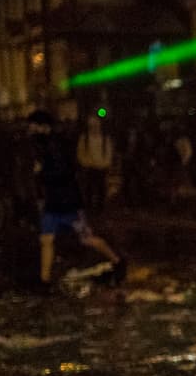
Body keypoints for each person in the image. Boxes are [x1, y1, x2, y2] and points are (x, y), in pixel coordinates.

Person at [27, 110, 125, 289]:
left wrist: (41, 172)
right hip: (57, 202)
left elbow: (63, 173)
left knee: (85, 238)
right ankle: (44, 281)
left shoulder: (55, 146)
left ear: (42, 126)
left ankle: (117, 260)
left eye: (33, 126)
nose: (30, 129)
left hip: (67, 203)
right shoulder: (47, 144)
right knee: (47, 240)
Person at [75, 111, 114, 216]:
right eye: (92, 125)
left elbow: (109, 153)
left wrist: (105, 164)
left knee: (101, 189)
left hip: (101, 168)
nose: (95, 127)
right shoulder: (84, 138)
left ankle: (99, 209)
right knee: (89, 189)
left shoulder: (105, 138)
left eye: (96, 125)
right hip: (89, 168)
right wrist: (86, 163)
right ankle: (89, 208)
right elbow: (80, 153)